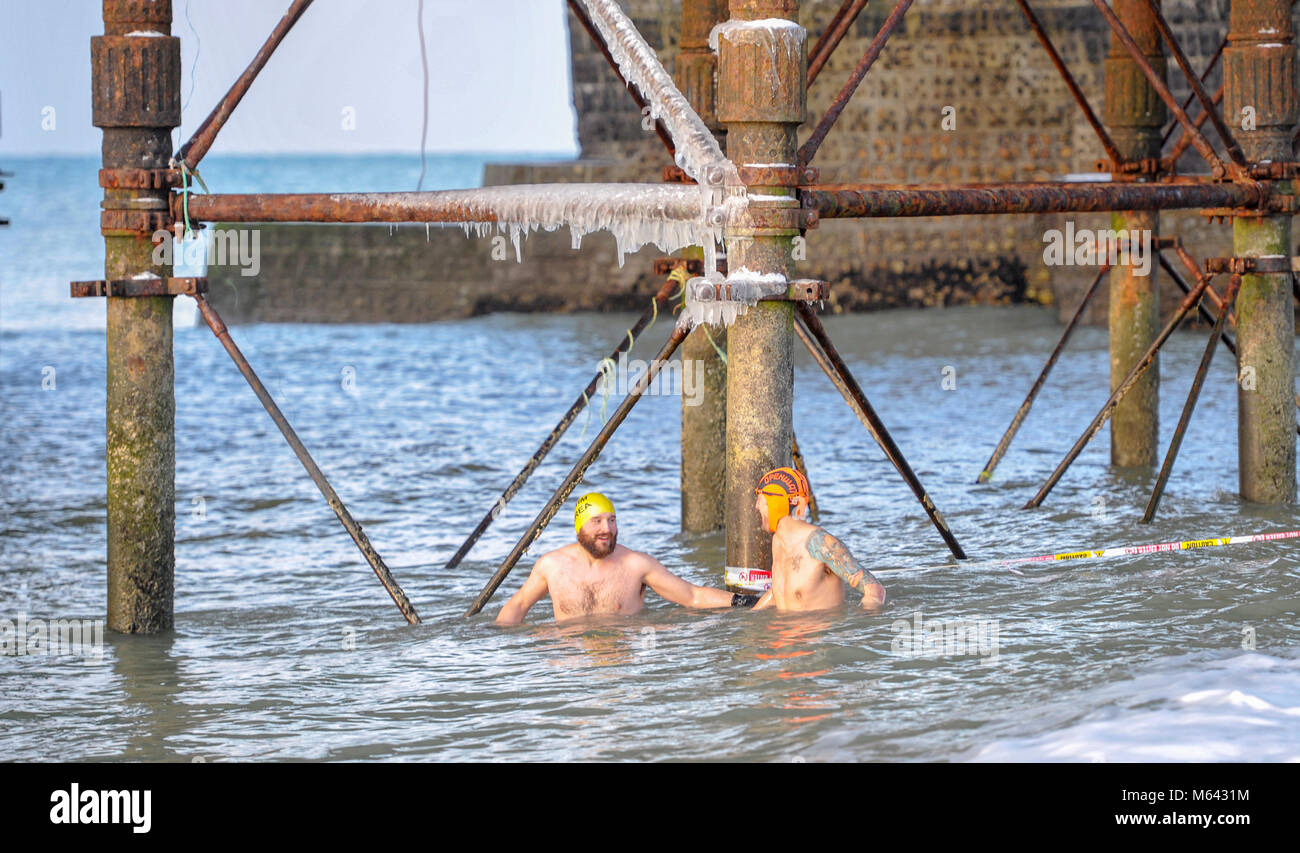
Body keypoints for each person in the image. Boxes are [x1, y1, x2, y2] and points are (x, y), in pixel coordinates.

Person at [495, 492, 755, 625]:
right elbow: (518, 606)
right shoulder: (551, 566)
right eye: (596, 521)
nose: (606, 529)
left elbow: (691, 596)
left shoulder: (636, 564)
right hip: (570, 673)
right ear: (579, 528)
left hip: (622, 664)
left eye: (611, 520)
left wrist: (748, 602)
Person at [750, 467, 886, 613]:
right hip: (785, 632)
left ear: (776, 502)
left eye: (760, 500)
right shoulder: (778, 541)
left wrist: (865, 625)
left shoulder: (820, 542)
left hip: (819, 633)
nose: (756, 507)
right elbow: (779, 593)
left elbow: (874, 590)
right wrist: (748, 620)